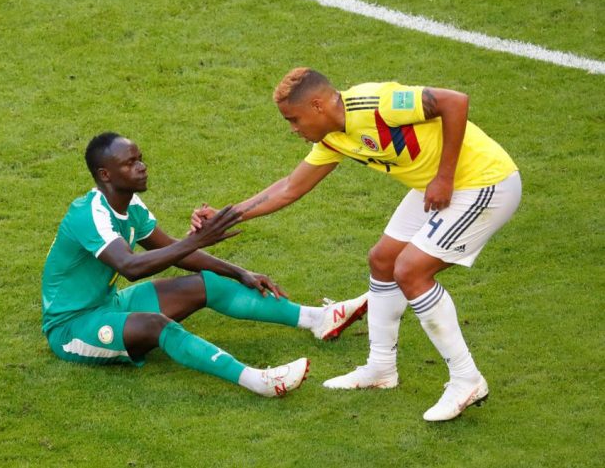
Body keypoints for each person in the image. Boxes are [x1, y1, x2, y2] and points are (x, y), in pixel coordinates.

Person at [190, 68, 521, 419]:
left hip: (485, 182)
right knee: (383, 260)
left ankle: (466, 378)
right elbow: (291, 187)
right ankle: (381, 369)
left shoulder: (376, 103)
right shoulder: (333, 137)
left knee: (411, 270)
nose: (293, 129)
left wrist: (444, 176)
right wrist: (225, 216)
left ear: (317, 105)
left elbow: (454, 102)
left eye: (294, 119)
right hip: (439, 186)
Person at [41, 131, 368, 397]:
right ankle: (258, 381)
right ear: (105, 174)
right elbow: (131, 267)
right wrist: (197, 239)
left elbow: (172, 249)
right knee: (157, 326)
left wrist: (239, 272)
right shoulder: (89, 214)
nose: (141, 167)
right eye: (130, 163)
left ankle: (317, 319)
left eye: (140, 159)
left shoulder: (131, 206)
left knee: (208, 282)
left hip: (108, 304)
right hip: (73, 327)